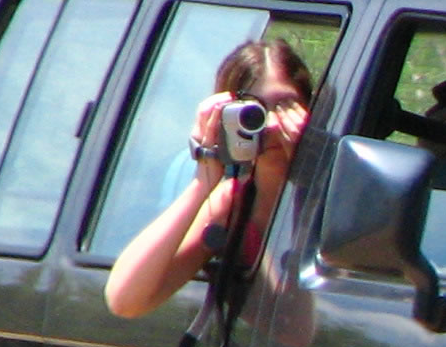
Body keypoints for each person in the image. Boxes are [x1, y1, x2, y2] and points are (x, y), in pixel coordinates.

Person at [106, 39, 314, 319]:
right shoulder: (232, 204)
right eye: (253, 113)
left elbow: (301, 332)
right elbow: (125, 300)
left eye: (287, 106)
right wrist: (204, 179)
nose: (273, 124)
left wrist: (311, 171)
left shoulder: (337, 190)